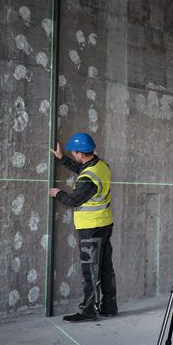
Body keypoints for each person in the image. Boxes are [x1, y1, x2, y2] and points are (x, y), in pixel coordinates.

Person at [49, 132, 117, 322]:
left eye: (73, 153)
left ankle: (88, 311)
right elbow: (84, 169)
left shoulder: (88, 179)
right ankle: (110, 307)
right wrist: (63, 159)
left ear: (80, 153)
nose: (74, 155)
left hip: (91, 228)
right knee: (105, 268)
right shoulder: (101, 165)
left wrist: (58, 193)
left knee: (90, 270)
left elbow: (74, 199)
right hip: (104, 224)